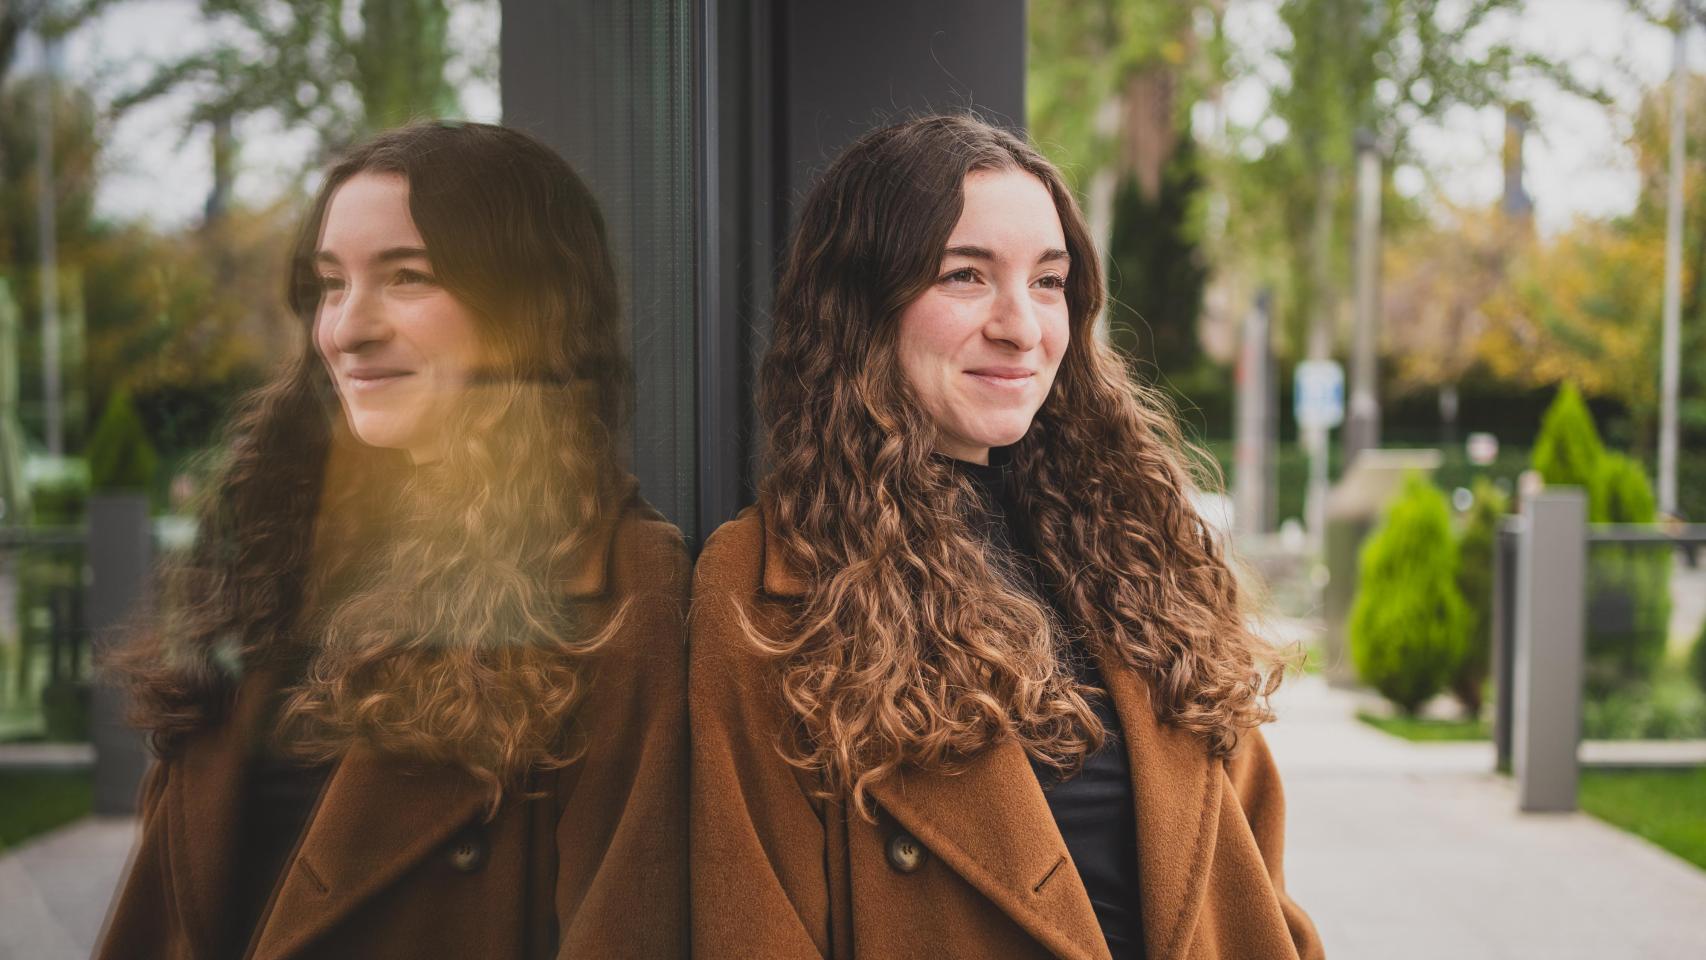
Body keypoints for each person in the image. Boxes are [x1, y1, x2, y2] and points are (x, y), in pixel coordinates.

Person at [690, 114, 1323, 960]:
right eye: (964, 276)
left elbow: (1257, 890)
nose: (1022, 326)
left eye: (1050, 282)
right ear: (860, 305)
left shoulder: (1143, 547)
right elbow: (755, 931)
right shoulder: (772, 584)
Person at [98, 122, 687, 960]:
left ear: (524, 303)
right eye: (331, 286)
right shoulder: (268, 546)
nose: (346, 329)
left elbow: (621, 923)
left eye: (407, 278)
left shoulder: (618, 581)